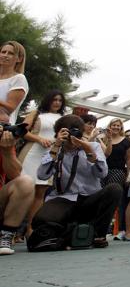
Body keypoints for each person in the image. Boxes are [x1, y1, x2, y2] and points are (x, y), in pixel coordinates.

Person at [33, 115, 122, 249]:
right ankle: (72, 232)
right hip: (64, 198)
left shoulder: (93, 147)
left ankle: (98, 235)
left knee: (115, 189)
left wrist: (88, 152)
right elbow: (42, 175)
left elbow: (102, 173)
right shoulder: (55, 149)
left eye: (75, 131)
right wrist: (56, 147)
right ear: (59, 133)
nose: (71, 137)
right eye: (67, 132)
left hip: (90, 198)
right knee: (40, 220)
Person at [19, 90, 66, 237]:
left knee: (40, 193)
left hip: (50, 156)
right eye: (54, 99)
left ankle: (30, 229)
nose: (57, 102)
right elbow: (21, 131)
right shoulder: (36, 113)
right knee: (23, 191)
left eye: (60, 100)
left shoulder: (63, 118)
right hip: (31, 154)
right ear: (48, 100)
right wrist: (39, 139)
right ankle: (13, 230)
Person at [0, 125, 35, 255]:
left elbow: (14, 175)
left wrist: (7, 151)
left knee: (25, 183)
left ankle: (5, 236)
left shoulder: (4, 145)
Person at [0, 41, 28, 125]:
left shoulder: (19, 79)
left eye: (10, 53)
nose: (5, 55)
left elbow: (10, 108)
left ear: (19, 59)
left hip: (3, 129)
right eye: (3, 52)